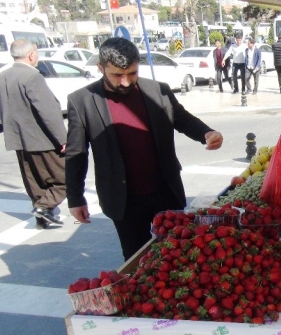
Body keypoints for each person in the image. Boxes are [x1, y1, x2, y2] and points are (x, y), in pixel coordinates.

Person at [65, 38, 223, 260]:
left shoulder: (158, 91)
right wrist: (75, 198)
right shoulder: (81, 101)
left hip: (165, 191)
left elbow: (181, 118)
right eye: (117, 75)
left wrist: (206, 133)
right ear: (100, 68)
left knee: (178, 253)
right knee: (137, 259)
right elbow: (76, 153)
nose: (126, 82)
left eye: (132, 73)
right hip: (123, 201)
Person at [0, 39, 67, 230]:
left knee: (34, 180)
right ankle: (44, 207)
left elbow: (3, 109)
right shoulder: (32, 77)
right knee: (66, 177)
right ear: (31, 55)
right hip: (42, 139)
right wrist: (63, 138)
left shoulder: (2, 76)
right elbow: (48, 111)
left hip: (19, 139)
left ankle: (42, 215)